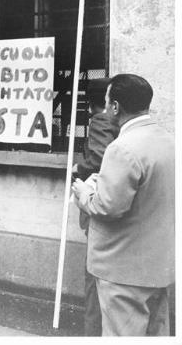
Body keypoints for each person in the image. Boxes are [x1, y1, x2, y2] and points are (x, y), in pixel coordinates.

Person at [71, 74, 174, 336]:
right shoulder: (168, 140)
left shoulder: (122, 148)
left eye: (107, 104)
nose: (105, 110)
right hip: (158, 265)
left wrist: (84, 192)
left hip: (123, 270)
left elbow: (107, 207)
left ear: (116, 107)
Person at [72, 78, 119, 336]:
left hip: (98, 200)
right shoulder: (121, 123)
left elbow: (100, 159)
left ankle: (93, 332)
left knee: (94, 272)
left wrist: (79, 168)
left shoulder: (101, 120)